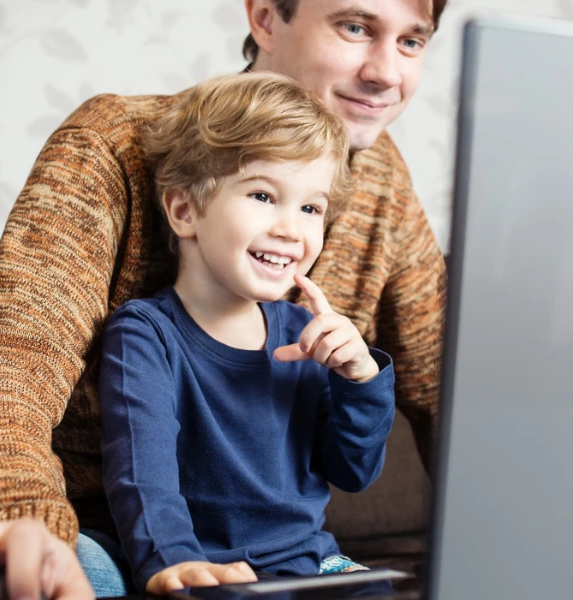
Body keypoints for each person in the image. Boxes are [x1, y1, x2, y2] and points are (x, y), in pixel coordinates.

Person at [0, 1, 447, 598]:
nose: (387, 72)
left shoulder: (384, 189)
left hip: (131, 539)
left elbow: (450, 394)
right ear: (266, 16)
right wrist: (22, 526)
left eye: (412, 40)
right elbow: (11, 355)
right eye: (356, 27)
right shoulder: (117, 142)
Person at [101, 72, 396, 594]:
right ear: (185, 211)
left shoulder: (309, 334)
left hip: (312, 564)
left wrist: (360, 379)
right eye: (263, 195)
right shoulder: (146, 334)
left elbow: (353, 472)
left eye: (311, 208)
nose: (291, 228)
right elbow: (142, 478)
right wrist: (172, 563)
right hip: (209, 568)